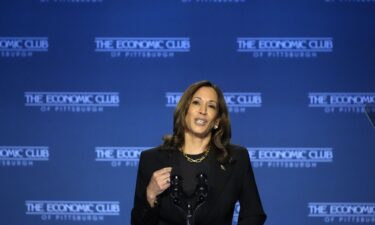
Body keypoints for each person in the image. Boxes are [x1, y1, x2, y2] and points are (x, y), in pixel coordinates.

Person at [131, 80, 266, 225]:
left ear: (217, 121)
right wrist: (150, 195)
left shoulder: (236, 159)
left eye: (211, 106)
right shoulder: (151, 160)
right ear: (184, 112)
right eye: (196, 103)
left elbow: (254, 215)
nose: (203, 110)